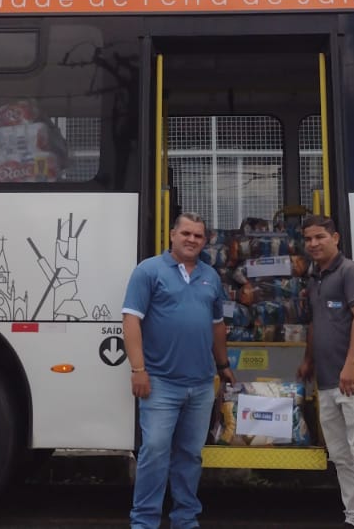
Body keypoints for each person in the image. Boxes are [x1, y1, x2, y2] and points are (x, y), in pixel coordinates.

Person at [122, 212, 235, 529]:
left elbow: (217, 326)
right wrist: (138, 369)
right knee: (155, 453)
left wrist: (223, 365)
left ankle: (185, 518)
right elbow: (131, 320)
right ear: (172, 235)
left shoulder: (210, 276)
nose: (192, 240)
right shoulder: (149, 271)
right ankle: (144, 522)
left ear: (205, 241)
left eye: (198, 236)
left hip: (201, 385)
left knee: (190, 456)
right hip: (160, 383)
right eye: (186, 233)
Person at [298, 214, 354, 529]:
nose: (313, 244)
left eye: (319, 237)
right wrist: (309, 360)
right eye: (308, 239)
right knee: (340, 455)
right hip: (326, 380)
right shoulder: (314, 277)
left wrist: (351, 364)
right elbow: (316, 323)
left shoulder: (353, 272)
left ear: (335, 238)